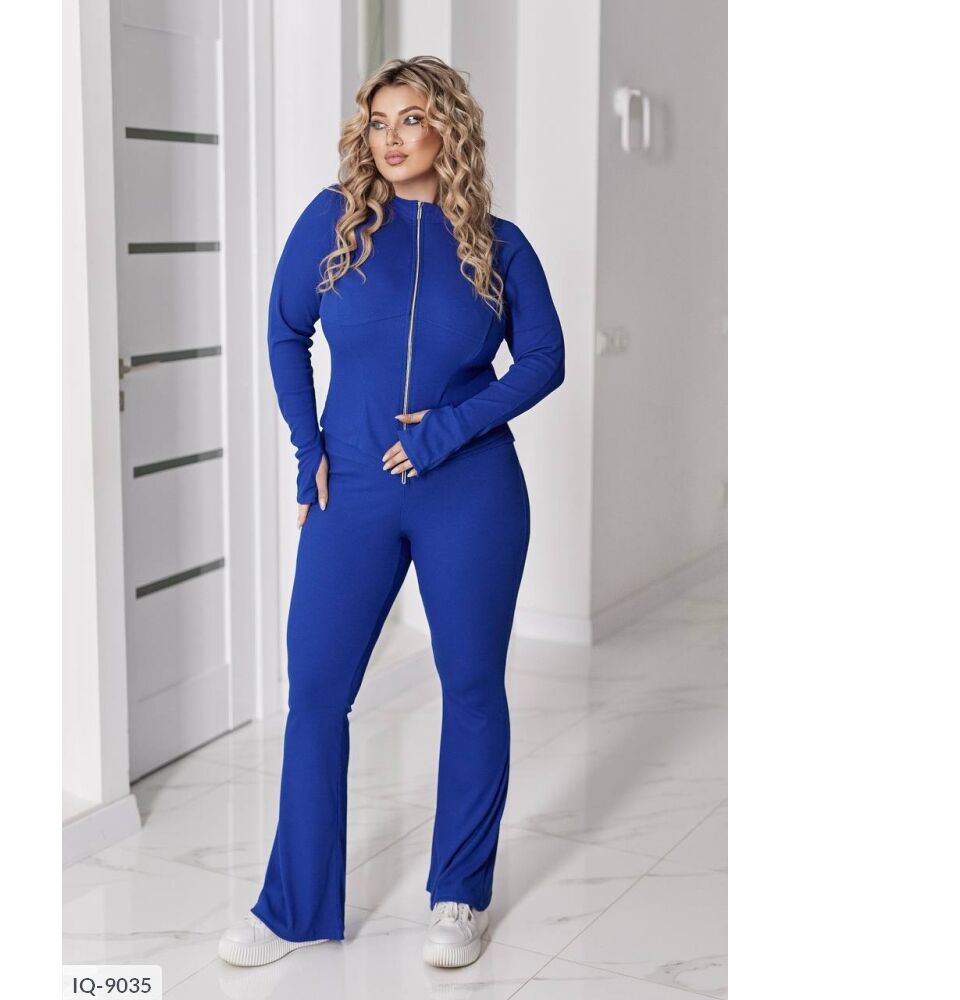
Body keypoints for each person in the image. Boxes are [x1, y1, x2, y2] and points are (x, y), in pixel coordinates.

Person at [218, 54, 565, 970]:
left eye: (411, 118)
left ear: (447, 128)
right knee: (316, 692)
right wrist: (309, 453)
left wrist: (448, 427)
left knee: (470, 686)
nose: (392, 137)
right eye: (378, 121)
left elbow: (544, 359)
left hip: (470, 490)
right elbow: (284, 330)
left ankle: (458, 895)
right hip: (355, 492)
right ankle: (293, 907)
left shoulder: (499, 244)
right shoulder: (333, 222)